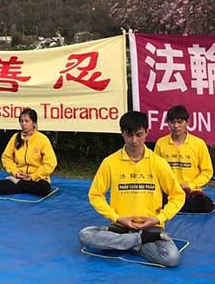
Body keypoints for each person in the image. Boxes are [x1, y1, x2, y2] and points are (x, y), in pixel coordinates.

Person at [78, 111, 185, 267]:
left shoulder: (159, 163)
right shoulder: (110, 162)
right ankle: (137, 242)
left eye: (139, 135)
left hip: (151, 228)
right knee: (85, 235)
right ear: (122, 134)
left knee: (172, 258)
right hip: (120, 226)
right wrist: (117, 218)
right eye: (129, 135)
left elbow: (177, 195)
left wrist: (158, 218)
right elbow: (95, 195)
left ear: (147, 132)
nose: (134, 140)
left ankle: (127, 243)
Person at [154, 105, 215, 214]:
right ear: (167, 123)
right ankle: (176, 206)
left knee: (206, 206)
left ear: (188, 122)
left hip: (191, 191)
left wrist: (190, 185)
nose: (176, 126)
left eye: (180, 122)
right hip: (168, 190)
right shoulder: (160, 143)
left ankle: (176, 207)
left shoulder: (199, 144)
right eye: (172, 122)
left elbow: (207, 172)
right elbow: (155, 170)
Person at [0, 108, 57, 197]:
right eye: (21, 121)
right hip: (19, 176)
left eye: (27, 121)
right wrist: (16, 172)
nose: (23, 124)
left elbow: (51, 163)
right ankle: (25, 186)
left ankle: (19, 184)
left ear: (34, 123)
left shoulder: (42, 139)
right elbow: (6, 158)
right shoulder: (15, 138)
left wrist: (33, 176)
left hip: (37, 179)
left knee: (44, 189)